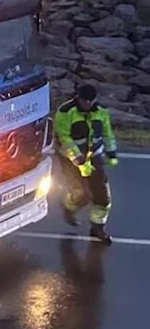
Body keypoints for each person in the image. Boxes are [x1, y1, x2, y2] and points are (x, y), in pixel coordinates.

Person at [55, 83, 118, 245]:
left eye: (90, 101)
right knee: (81, 194)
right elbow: (64, 138)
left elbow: (107, 133)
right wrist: (80, 161)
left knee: (102, 197)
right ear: (78, 98)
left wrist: (111, 153)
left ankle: (98, 228)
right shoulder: (65, 112)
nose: (87, 104)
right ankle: (68, 208)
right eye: (84, 101)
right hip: (70, 158)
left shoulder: (101, 111)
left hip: (95, 156)